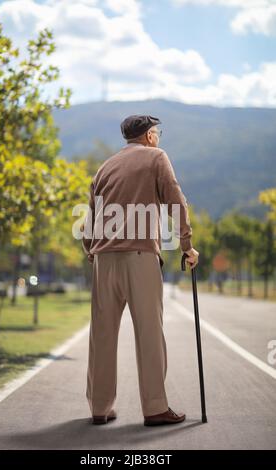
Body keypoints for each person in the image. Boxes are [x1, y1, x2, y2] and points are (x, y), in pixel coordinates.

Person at [81, 114, 199, 426]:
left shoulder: (105, 166)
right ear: (148, 136)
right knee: (148, 333)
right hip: (139, 256)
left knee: (102, 335)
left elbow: (89, 220)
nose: (158, 137)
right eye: (157, 132)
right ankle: (156, 408)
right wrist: (187, 246)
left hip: (103, 260)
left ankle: (99, 408)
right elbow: (177, 202)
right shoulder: (156, 157)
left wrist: (92, 252)